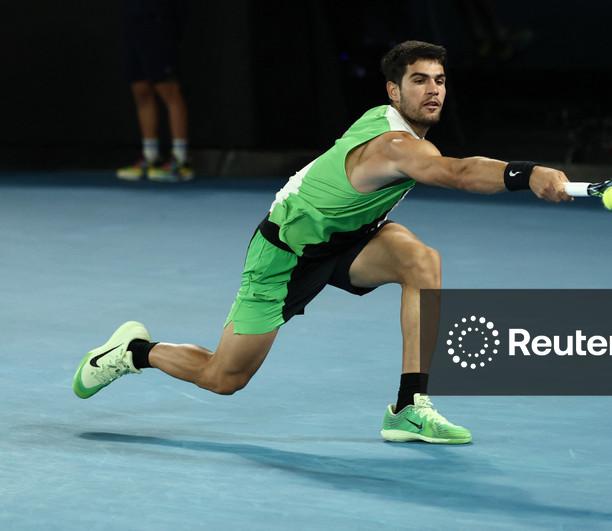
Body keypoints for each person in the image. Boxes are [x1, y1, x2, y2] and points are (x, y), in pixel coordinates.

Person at [74, 40, 571, 444]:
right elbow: (458, 173)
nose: (433, 90)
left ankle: (408, 407)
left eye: (439, 80)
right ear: (393, 92)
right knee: (223, 378)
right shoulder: (393, 144)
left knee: (421, 262)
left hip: (348, 242)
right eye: (419, 80)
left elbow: (447, 166)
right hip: (283, 256)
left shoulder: (410, 137)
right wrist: (527, 174)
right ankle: (134, 351)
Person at [116, 0, 193, 183]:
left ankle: (181, 160)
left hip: (157, 19)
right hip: (133, 19)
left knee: (167, 89)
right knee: (140, 88)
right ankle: (151, 156)